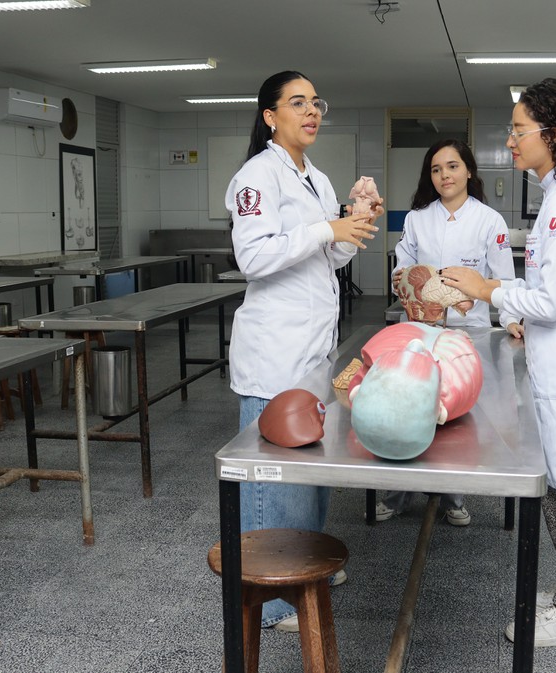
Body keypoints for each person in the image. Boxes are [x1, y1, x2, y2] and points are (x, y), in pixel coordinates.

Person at [440, 78, 556, 647]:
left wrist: (490, 288)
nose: (511, 139)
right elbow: (552, 291)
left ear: (554, 133)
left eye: (519, 129)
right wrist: (511, 306)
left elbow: (549, 299)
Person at [225, 70, 381, 632]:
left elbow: (329, 261)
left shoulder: (315, 177)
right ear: (270, 116)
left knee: (310, 472)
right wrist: (326, 230)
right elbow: (255, 259)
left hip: (314, 352)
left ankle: (306, 569)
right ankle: (270, 601)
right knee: (273, 480)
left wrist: (352, 226)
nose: (311, 112)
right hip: (273, 355)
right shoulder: (256, 177)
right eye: (297, 103)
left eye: (316, 102)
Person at [376, 138, 519, 527]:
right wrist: (415, 288)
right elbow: (400, 273)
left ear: (469, 170)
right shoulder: (417, 218)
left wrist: (508, 321)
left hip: (468, 333)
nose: (445, 175)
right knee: (410, 406)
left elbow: (503, 280)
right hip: (421, 330)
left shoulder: (490, 221)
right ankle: (397, 493)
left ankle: (453, 496)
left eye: (453, 166)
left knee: (457, 412)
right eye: (437, 169)